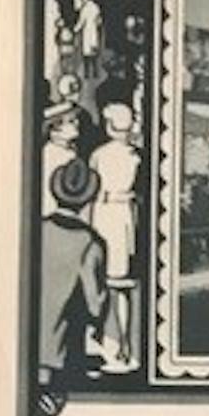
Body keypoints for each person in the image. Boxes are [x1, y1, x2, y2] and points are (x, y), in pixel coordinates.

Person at [40, 157, 108, 387]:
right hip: (62, 353)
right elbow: (94, 306)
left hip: (26, 343)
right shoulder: (90, 242)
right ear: (89, 199)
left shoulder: (38, 229)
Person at [88, 100, 140, 370]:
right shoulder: (136, 155)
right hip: (125, 216)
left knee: (108, 284)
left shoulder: (100, 155)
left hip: (105, 214)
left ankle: (112, 346)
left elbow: (91, 192)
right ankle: (125, 348)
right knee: (121, 286)